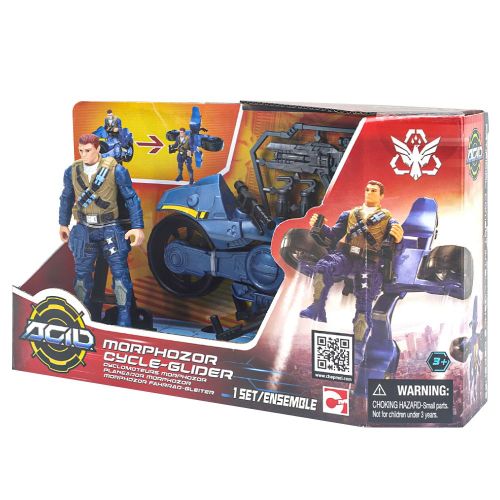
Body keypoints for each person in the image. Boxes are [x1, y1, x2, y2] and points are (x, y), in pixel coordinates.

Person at [300, 180, 404, 362]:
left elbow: (395, 248)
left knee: (364, 305)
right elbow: (334, 235)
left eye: (374, 190)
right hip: (345, 255)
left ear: (381, 195)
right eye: (367, 189)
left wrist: (399, 238)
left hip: (368, 262)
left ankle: (358, 347)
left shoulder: (389, 220)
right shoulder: (349, 214)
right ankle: (317, 307)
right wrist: (319, 226)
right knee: (323, 267)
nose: (369, 192)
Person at [58, 133, 144, 326]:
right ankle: (82, 318)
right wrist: (63, 223)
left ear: (97, 149)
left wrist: (137, 227)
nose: (83, 155)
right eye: (81, 150)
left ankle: (124, 318)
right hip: (84, 229)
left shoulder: (116, 170)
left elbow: (131, 198)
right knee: (82, 277)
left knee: (120, 275)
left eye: (87, 150)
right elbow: (66, 197)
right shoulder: (72, 171)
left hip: (110, 227)